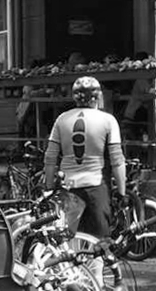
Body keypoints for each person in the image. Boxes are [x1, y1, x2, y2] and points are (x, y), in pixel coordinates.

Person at [42, 76, 127, 239]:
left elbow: (50, 157)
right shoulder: (108, 120)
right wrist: (122, 193)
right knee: (99, 243)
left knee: (68, 241)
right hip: (96, 186)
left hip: (68, 187)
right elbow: (117, 160)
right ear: (98, 96)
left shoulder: (62, 119)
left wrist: (49, 187)